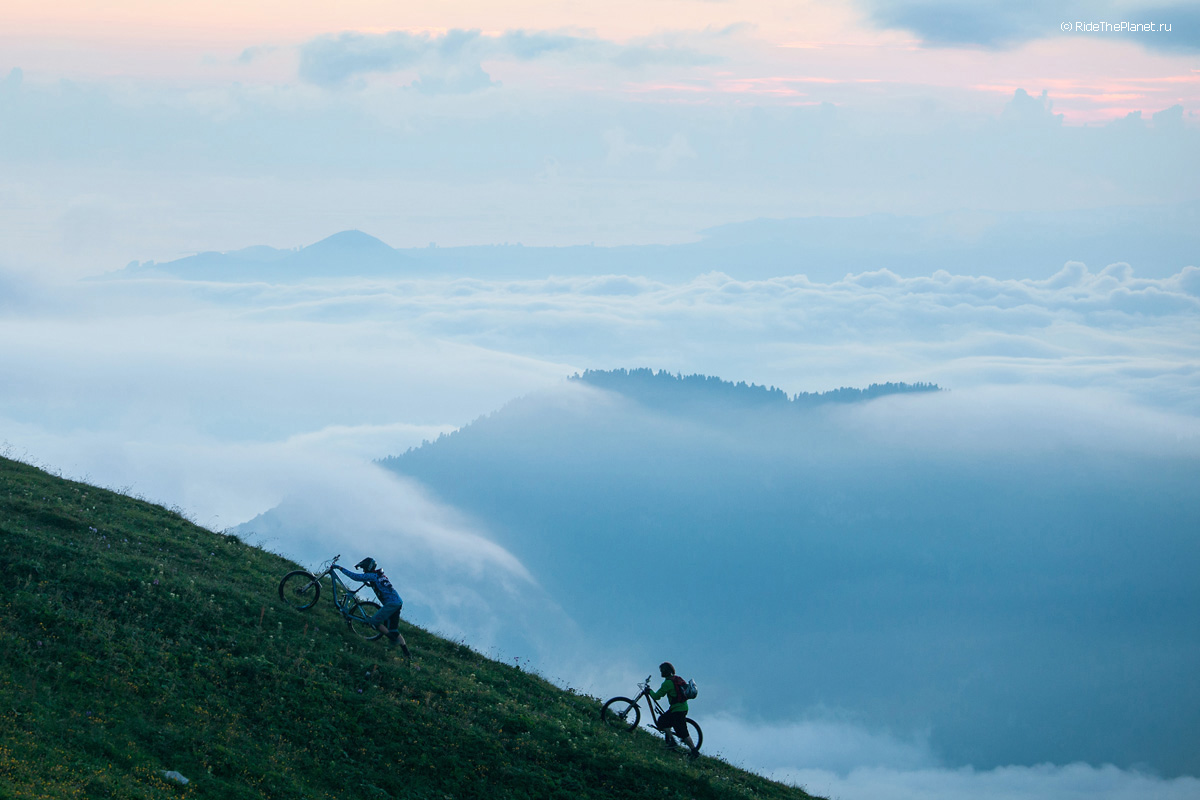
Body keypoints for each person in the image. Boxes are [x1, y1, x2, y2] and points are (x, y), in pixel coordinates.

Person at [334, 557, 411, 660]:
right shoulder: (379, 574)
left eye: (364, 568)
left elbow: (355, 577)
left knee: (374, 622)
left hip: (391, 604)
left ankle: (392, 639)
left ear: (368, 568)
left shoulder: (372, 576)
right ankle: (407, 653)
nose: (363, 571)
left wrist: (340, 568)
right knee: (394, 629)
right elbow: (380, 585)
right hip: (397, 602)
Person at [649, 661, 698, 759]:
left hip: (677, 710)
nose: (661, 673)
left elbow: (657, 696)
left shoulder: (667, 683)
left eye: (662, 671)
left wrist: (649, 691)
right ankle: (671, 740)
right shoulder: (677, 679)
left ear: (665, 671)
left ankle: (694, 752)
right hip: (682, 707)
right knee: (663, 720)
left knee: (682, 732)